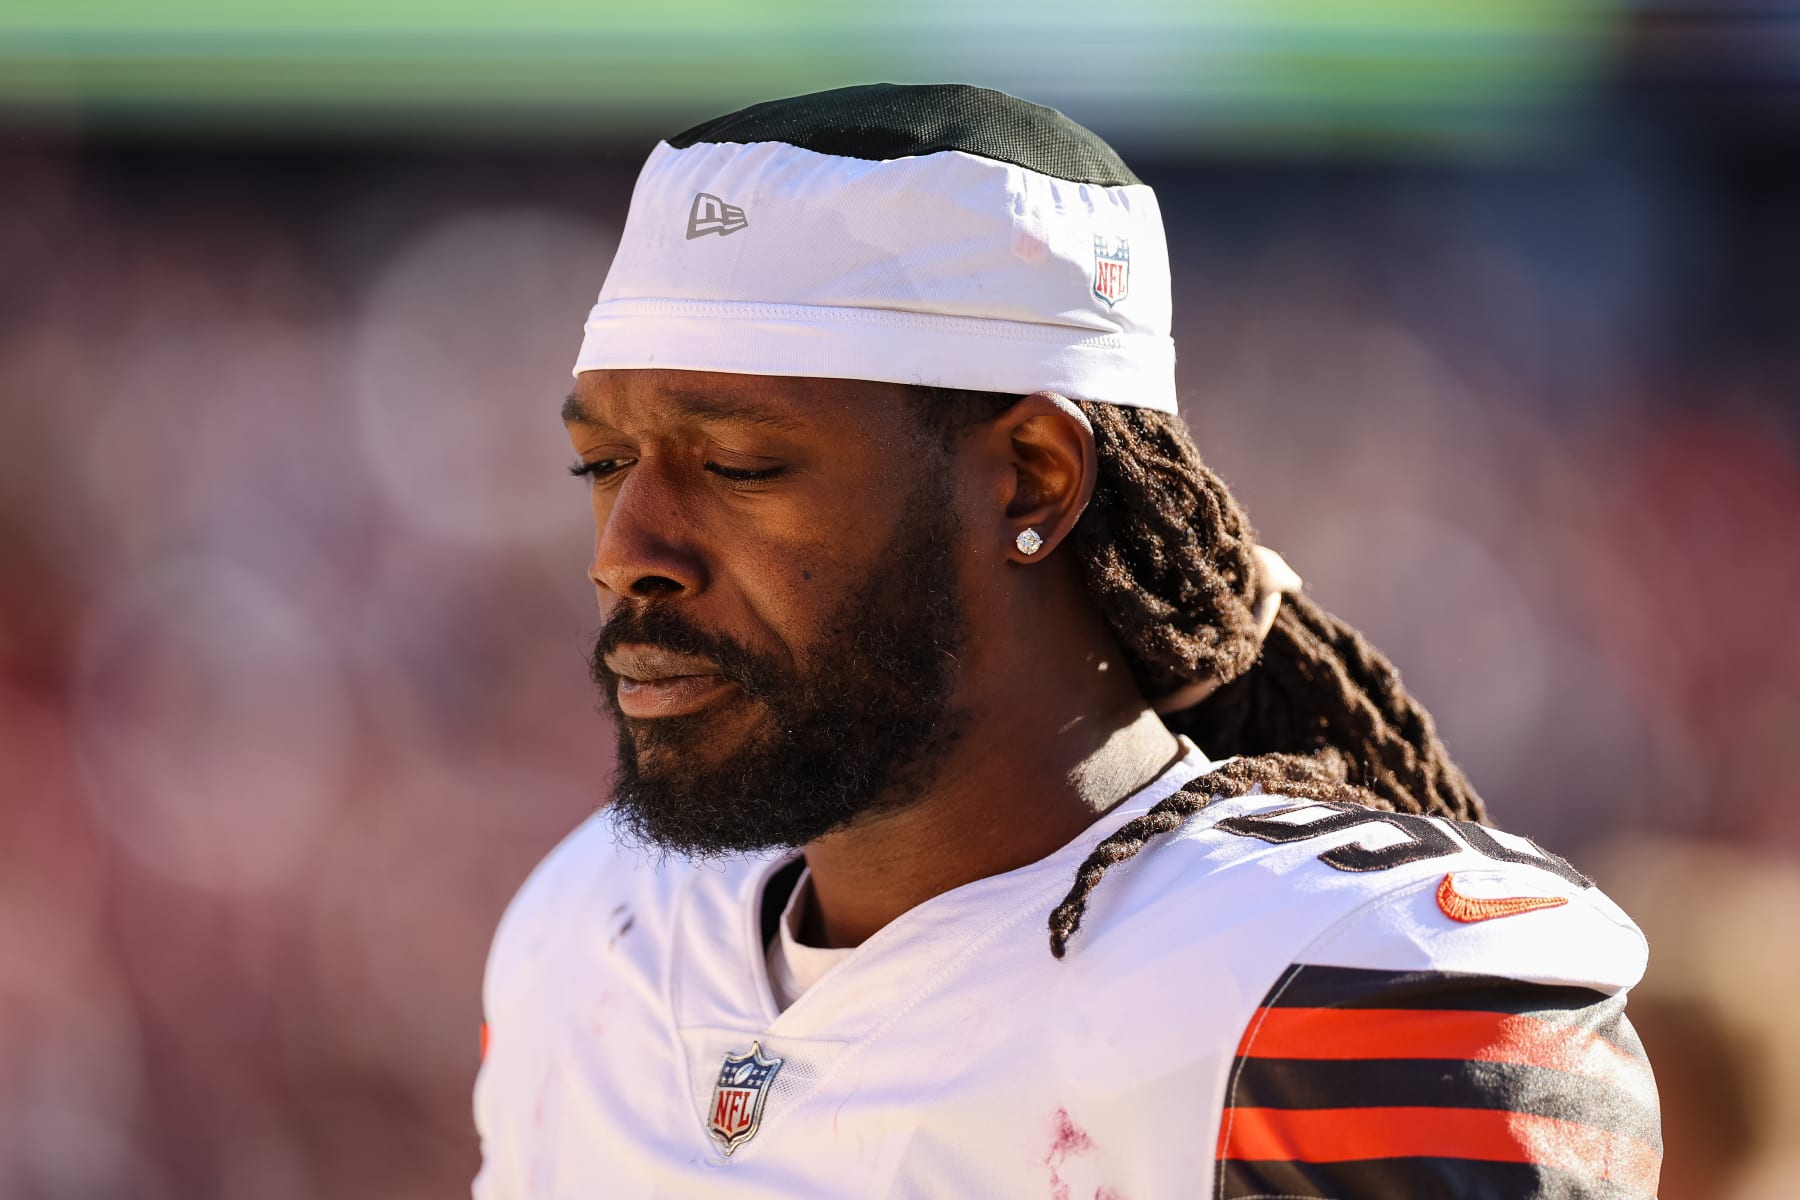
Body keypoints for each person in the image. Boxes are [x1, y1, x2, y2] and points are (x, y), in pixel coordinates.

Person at [473, 83, 1661, 1198]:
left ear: (1032, 478)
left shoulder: (1347, 984)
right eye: (604, 463)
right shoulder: (595, 926)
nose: (626, 550)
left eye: (739, 465)